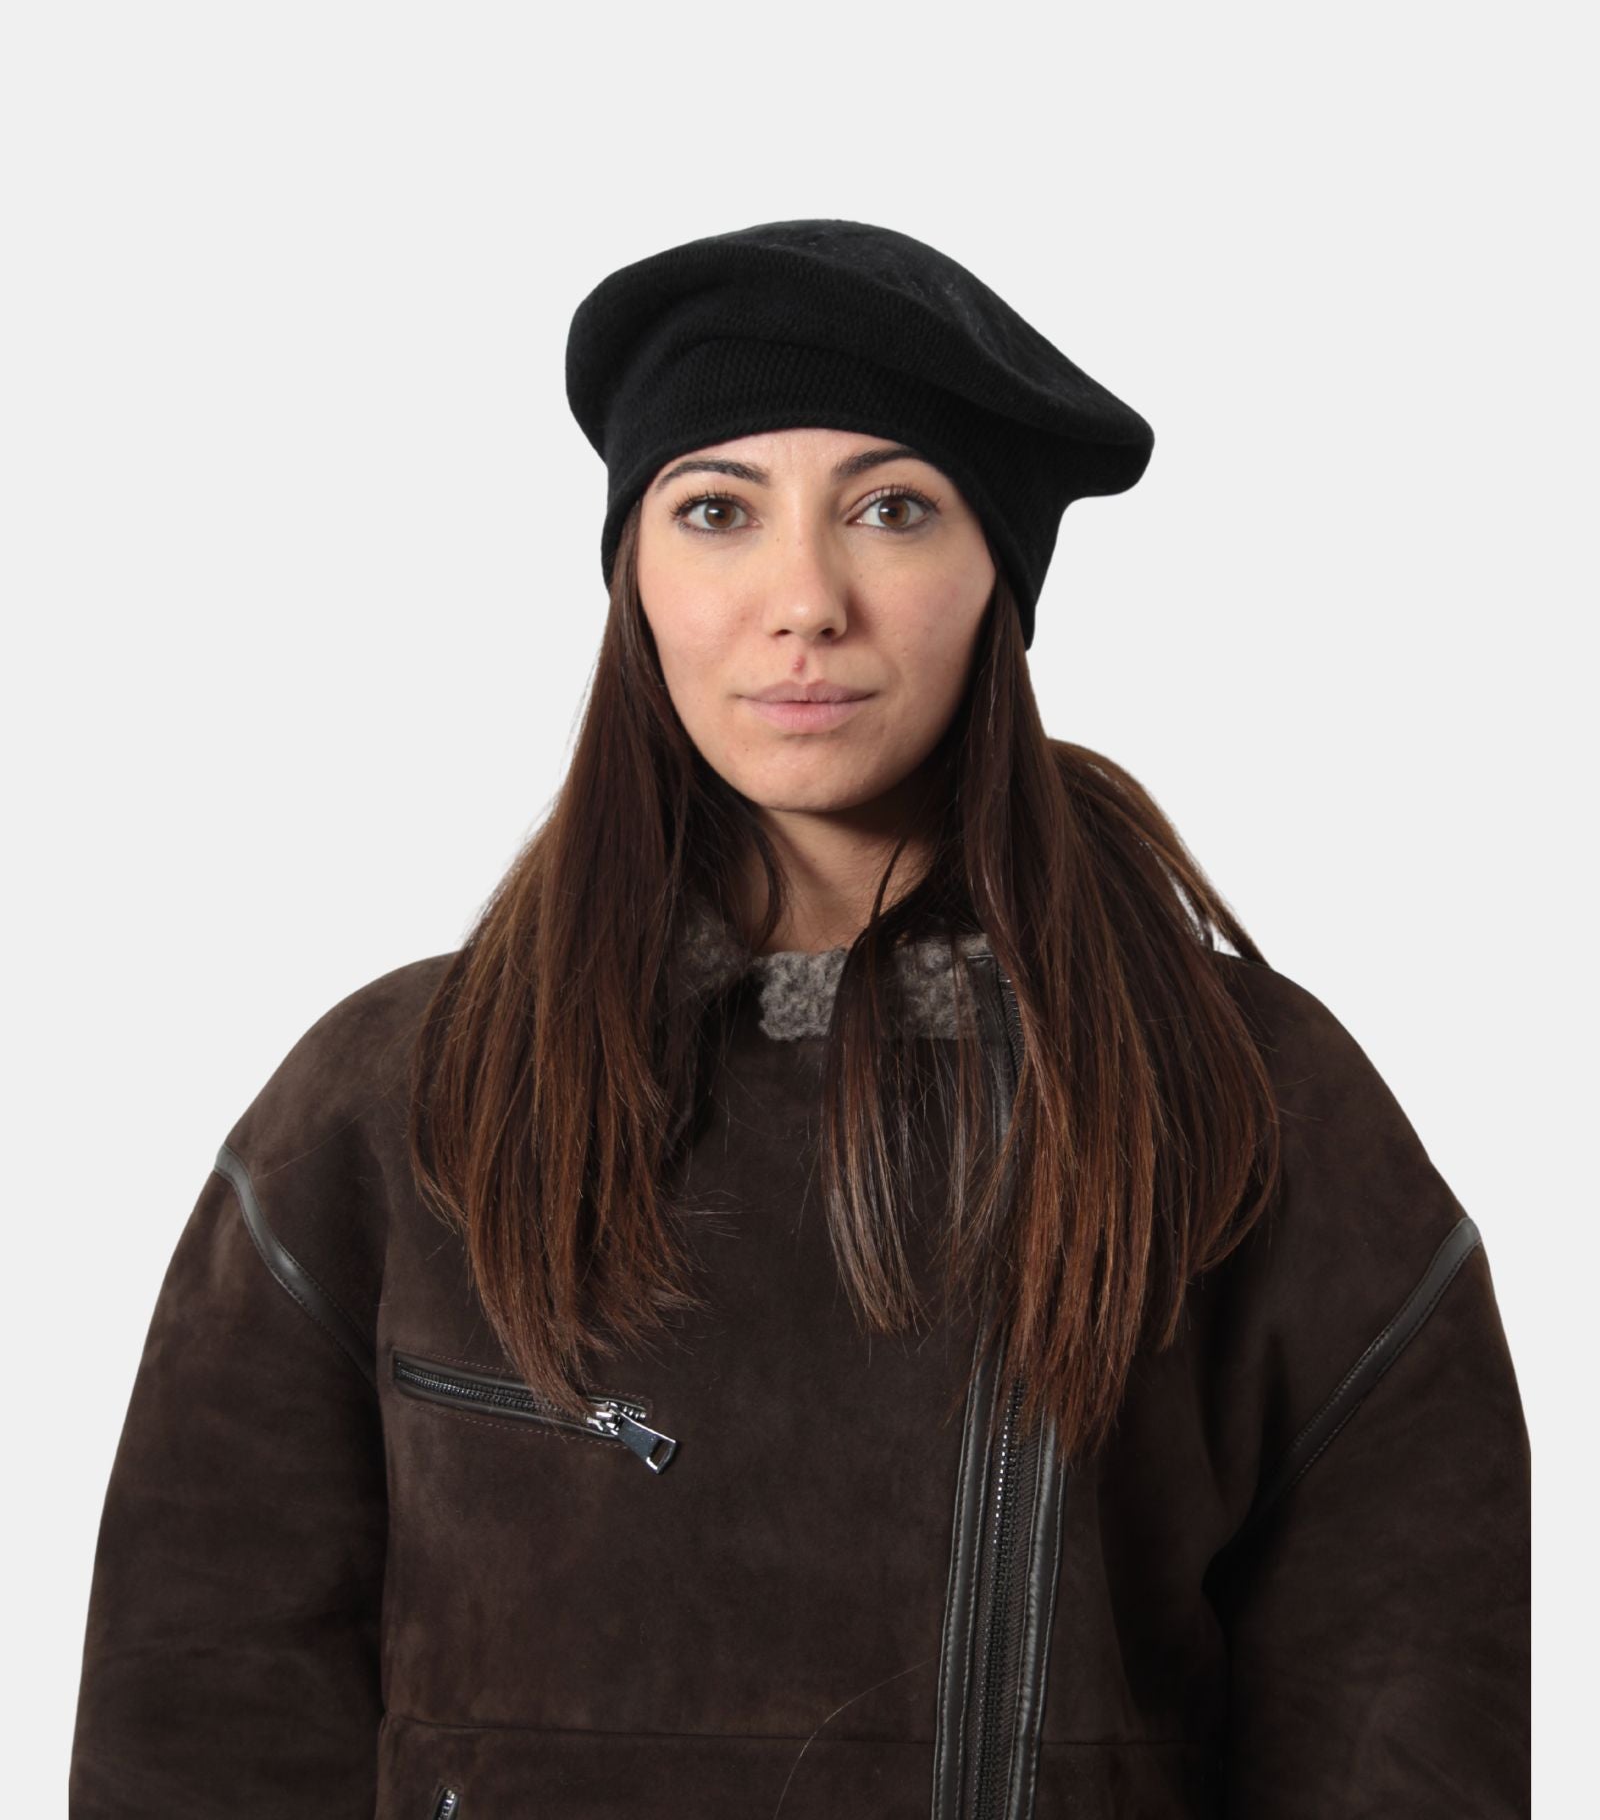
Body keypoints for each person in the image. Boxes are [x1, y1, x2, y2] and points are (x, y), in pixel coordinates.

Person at [68, 218, 1531, 1818]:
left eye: (892, 509)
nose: (805, 601)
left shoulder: (1242, 1101)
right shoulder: (396, 1102)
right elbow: (201, 1723)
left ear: (998, 573)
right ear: (635, 572)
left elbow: (1406, 1725)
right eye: (717, 510)